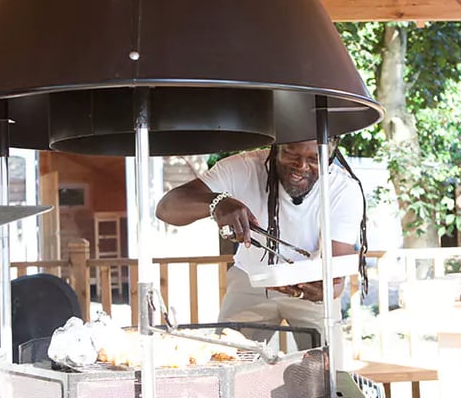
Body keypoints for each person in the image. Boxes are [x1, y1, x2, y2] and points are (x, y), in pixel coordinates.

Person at [155, 139, 368, 351]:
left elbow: (337, 270)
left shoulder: (343, 188)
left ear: (328, 158)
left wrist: (328, 290)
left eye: (313, 159)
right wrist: (216, 202)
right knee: (228, 357)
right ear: (275, 150)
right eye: (292, 155)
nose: (302, 166)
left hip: (311, 282)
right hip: (249, 278)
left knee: (328, 368)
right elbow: (166, 208)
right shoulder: (242, 168)